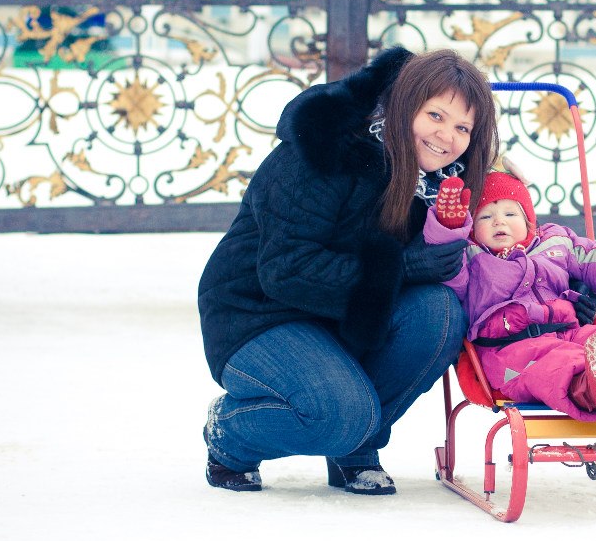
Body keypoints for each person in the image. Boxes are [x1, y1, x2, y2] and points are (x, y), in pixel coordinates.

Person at [197, 47, 498, 494]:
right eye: (435, 115)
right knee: (339, 415)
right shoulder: (328, 149)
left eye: (462, 127)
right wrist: (402, 266)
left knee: (439, 314)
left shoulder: (440, 185)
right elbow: (285, 269)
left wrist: (563, 290)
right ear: (405, 105)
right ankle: (232, 433)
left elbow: (495, 256)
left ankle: (355, 450)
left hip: (341, 318)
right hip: (257, 313)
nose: (446, 136)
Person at [425, 169, 596, 447]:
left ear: (529, 220)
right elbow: (446, 270)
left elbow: (592, 257)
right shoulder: (471, 256)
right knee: (557, 363)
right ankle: (595, 388)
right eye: (485, 217)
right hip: (509, 349)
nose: (498, 221)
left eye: (510, 214)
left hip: (568, 330)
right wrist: (448, 229)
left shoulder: (554, 241)